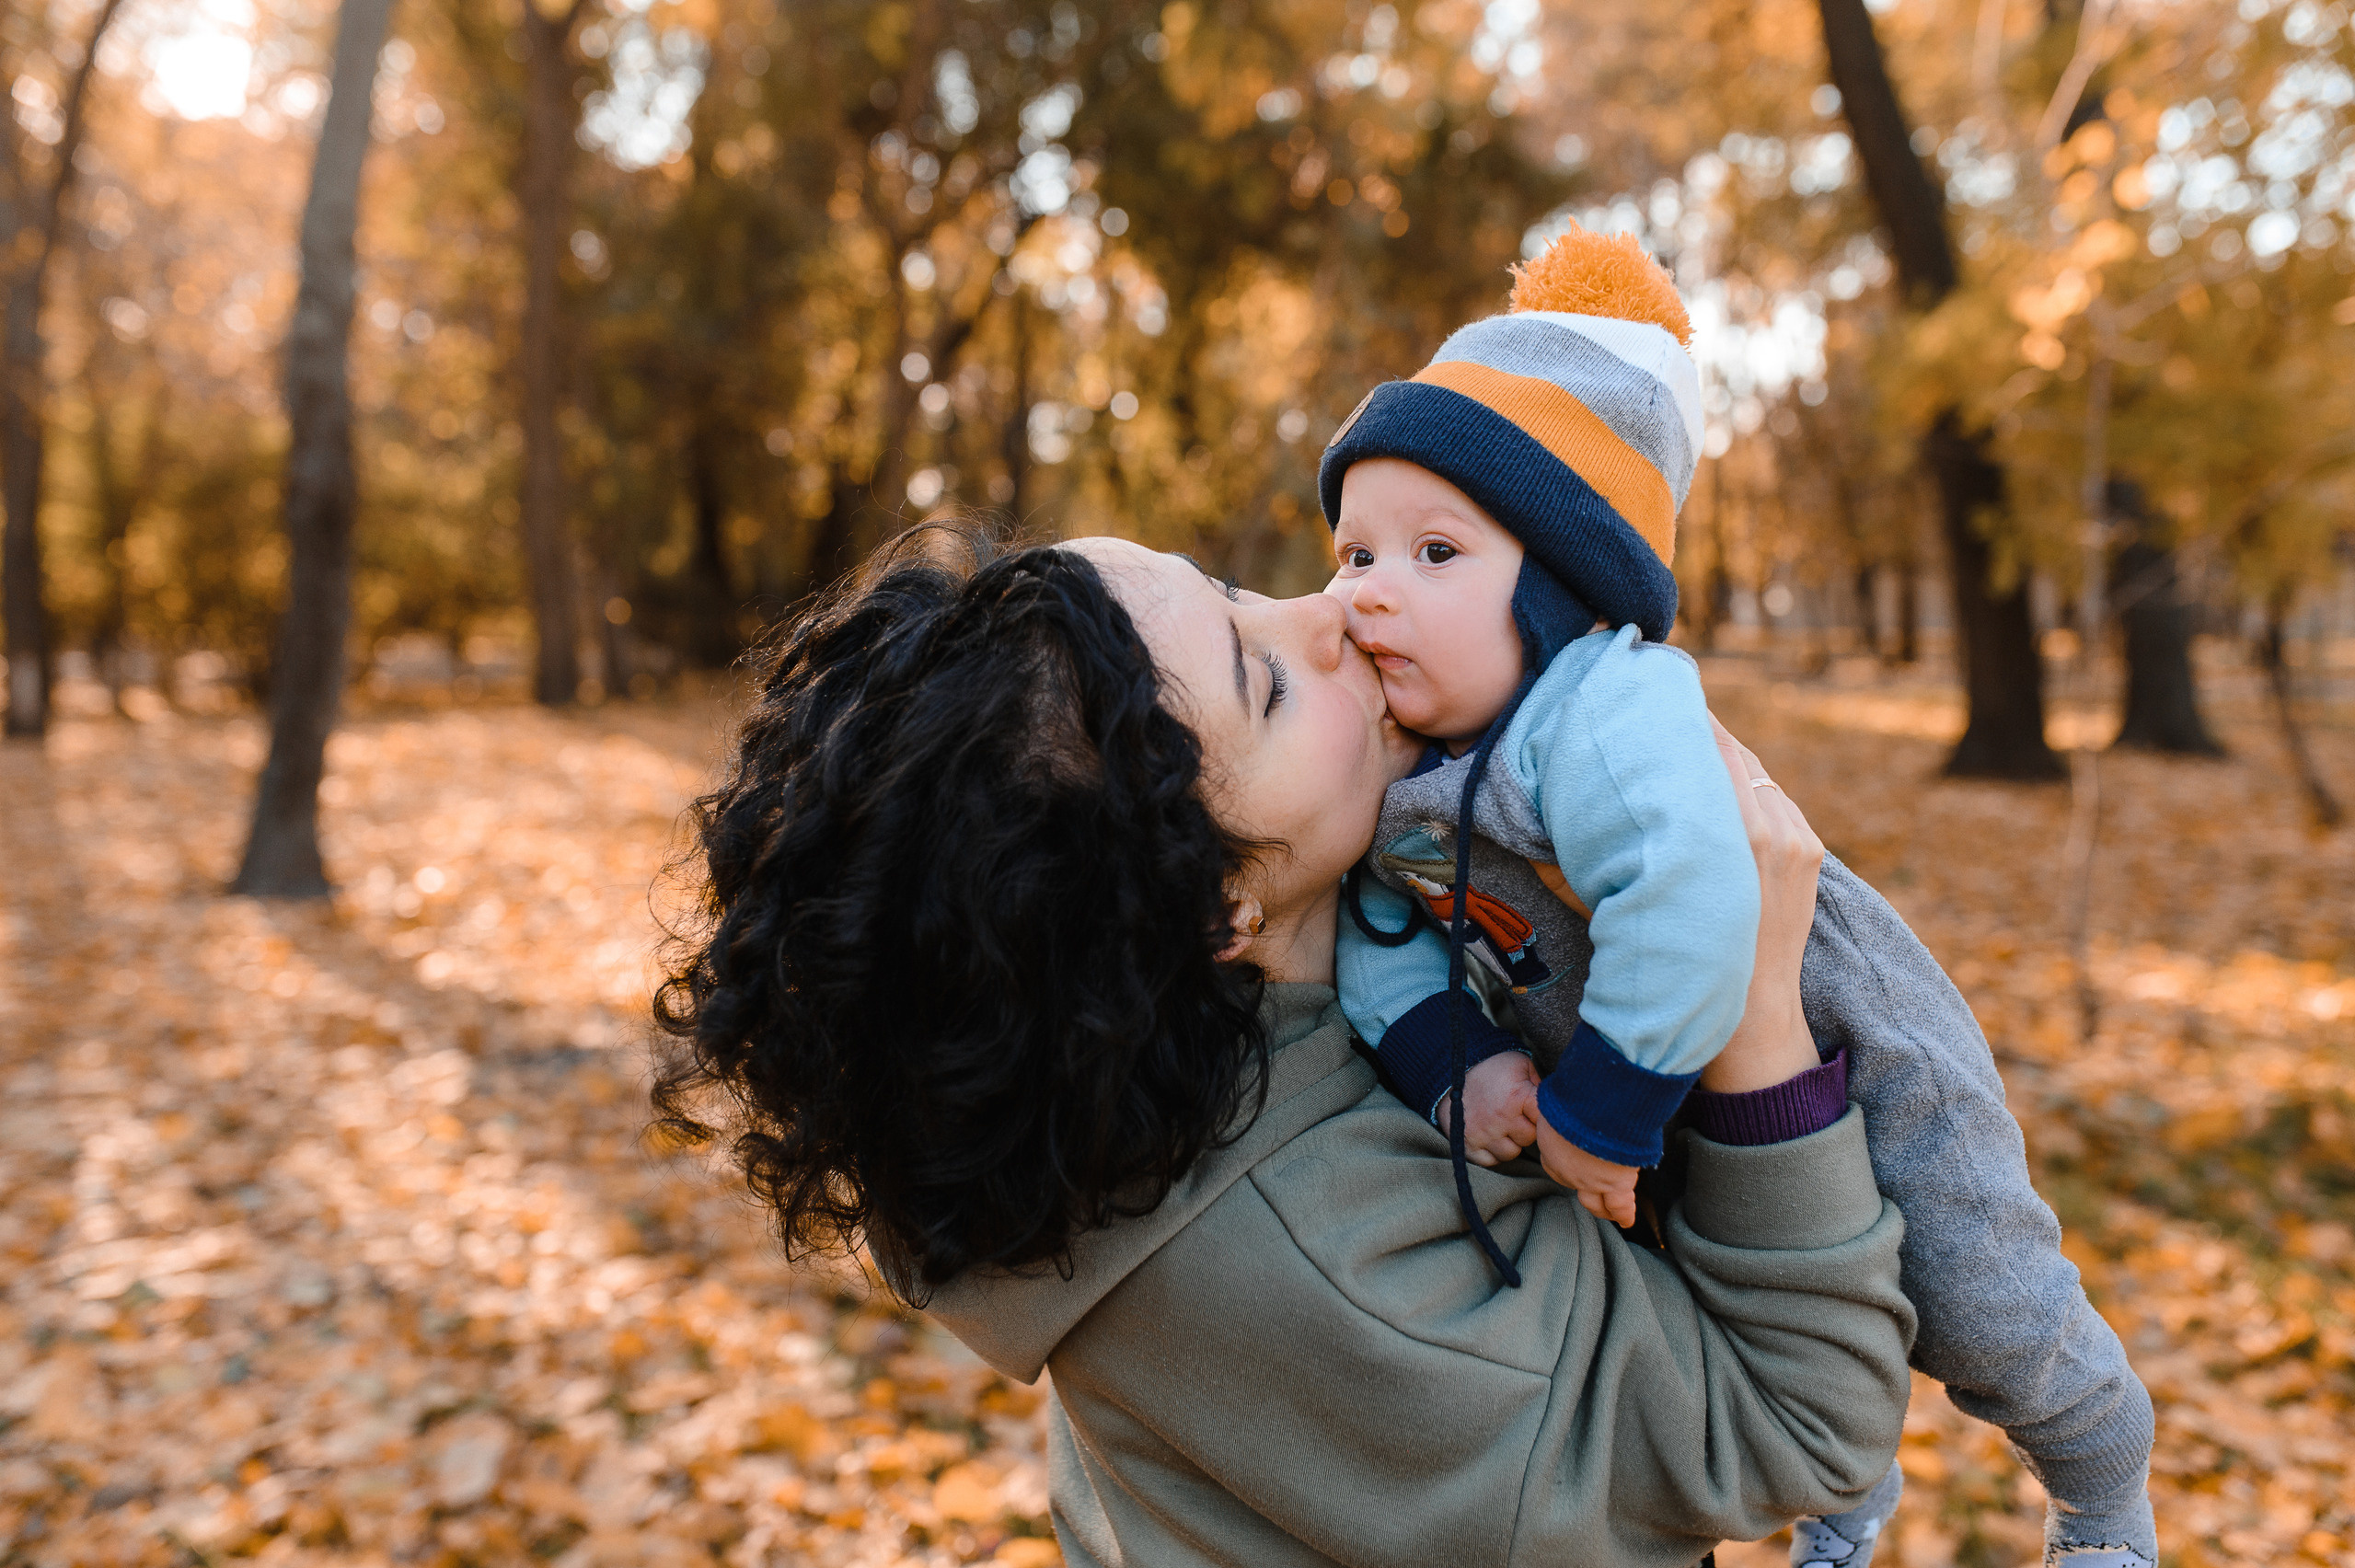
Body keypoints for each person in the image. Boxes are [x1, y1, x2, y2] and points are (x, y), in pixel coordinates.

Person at [653, 525, 1914, 1567]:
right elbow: (1806, 1428)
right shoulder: (1324, 1268)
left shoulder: (1148, 1079)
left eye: (1237, 596)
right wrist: (1750, 1007)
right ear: (1212, 907)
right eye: (1265, 679)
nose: (1331, 607)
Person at [1321, 224, 2156, 1568]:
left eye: (1434, 555)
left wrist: (1596, 1112)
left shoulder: (1602, 705)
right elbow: (1378, 929)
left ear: (1564, 585)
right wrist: (1450, 1064)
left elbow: (1688, 896)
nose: (1371, 594)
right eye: (1355, 554)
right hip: (1658, 1079)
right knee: (1732, 1290)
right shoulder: (1401, 765)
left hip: (1837, 1029)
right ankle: (1845, 1486)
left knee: (1971, 1281)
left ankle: (2101, 1477)